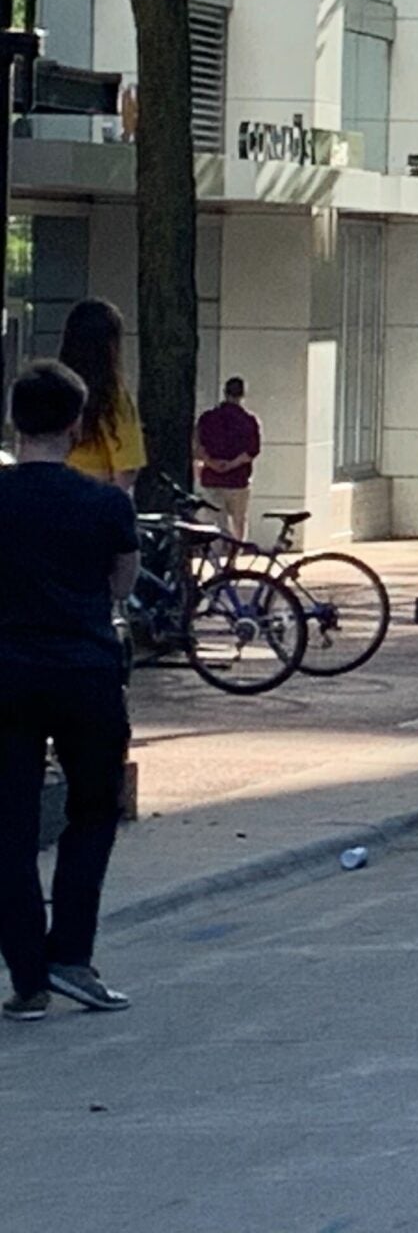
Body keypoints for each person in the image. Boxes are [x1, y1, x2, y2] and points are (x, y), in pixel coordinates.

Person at [0, 360, 140, 1019]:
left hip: (6, 674)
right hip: (85, 671)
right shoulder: (107, 503)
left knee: (10, 827)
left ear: (13, 422)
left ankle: (27, 976)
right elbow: (121, 584)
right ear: (77, 426)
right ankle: (70, 954)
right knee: (92, 811)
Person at [59, 300, 143, 492]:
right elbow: (127, 468)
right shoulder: (112, 398)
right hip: (91, 497)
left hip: (48, 498)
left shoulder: (49, 391)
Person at [192, 376, 262, 539]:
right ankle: (233, 556)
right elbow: (251, 451)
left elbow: (197, 446)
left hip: (211, 478)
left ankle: (218, 559)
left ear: (224, 392)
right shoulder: (249, 421)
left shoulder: (207, 418)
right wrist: (231, 465)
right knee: (239, 521)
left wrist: (212, 463)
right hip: (238, 480)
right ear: (242, 395)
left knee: (216, 523)